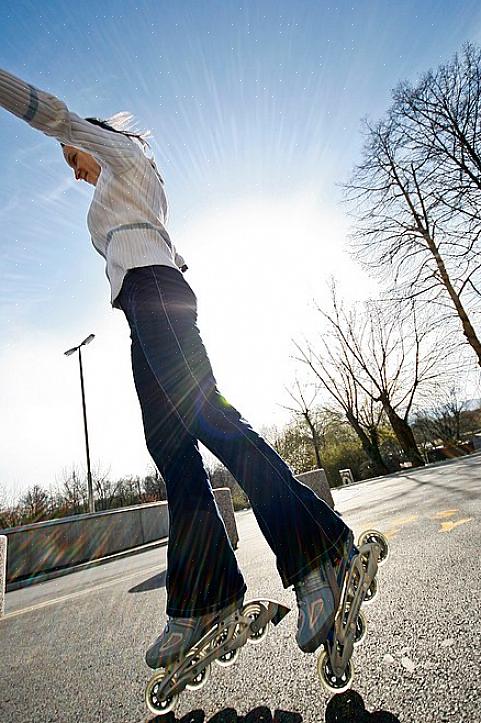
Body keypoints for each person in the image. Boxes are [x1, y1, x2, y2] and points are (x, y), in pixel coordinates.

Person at [0, 67, 356, 668]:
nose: (74, 169)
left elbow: (59, 117)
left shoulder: (127, 160)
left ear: (92, 138)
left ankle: (318, 551)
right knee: (170, 453)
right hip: (141, 310)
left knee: (213, 422)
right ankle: (205, 596)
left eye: (72, 155)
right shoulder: (111, 200)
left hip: (157, 292)